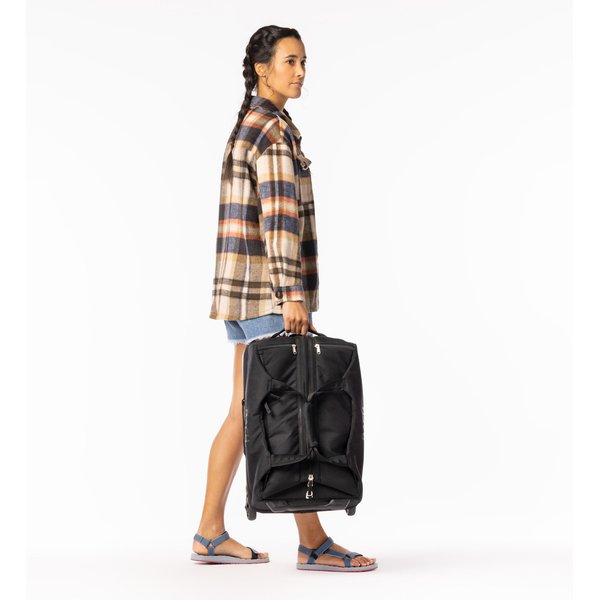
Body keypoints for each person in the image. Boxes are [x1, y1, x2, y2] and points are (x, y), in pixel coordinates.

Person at [191, 25, 377, 572]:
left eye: (303, 62)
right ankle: (313, 542)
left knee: (244, 411)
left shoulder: (253, 123)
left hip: (242, 292)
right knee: (294, 410)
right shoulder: (270, 131)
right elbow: (279, 221)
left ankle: (209, 532)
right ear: (261, 68)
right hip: (269, 294)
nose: (300, 72)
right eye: (290, 61)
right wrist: (292, 295)